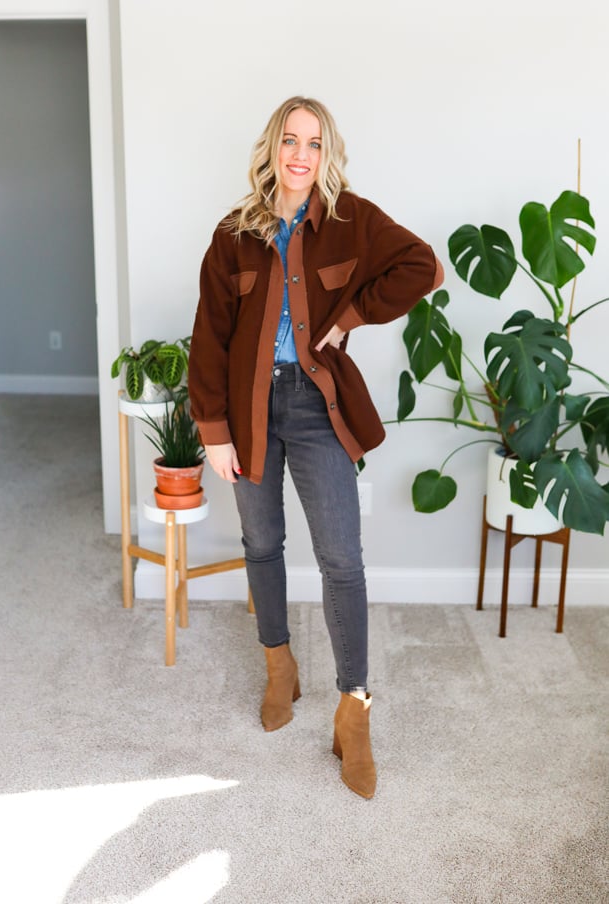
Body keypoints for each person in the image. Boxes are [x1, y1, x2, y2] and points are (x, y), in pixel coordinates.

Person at [188, 96, 444, 799]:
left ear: (328, 155)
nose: (300, 155)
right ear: (270, 149)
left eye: (314, 143)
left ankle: (353, 710)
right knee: (262, 543)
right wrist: (213, 433)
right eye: (289, 141)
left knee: (340, 559)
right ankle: (280, 667)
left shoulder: (351, 218)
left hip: (314, 405)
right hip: (245, 411)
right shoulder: (232, 233)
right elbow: (208, 335)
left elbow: (422, 266)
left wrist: (353, 313)